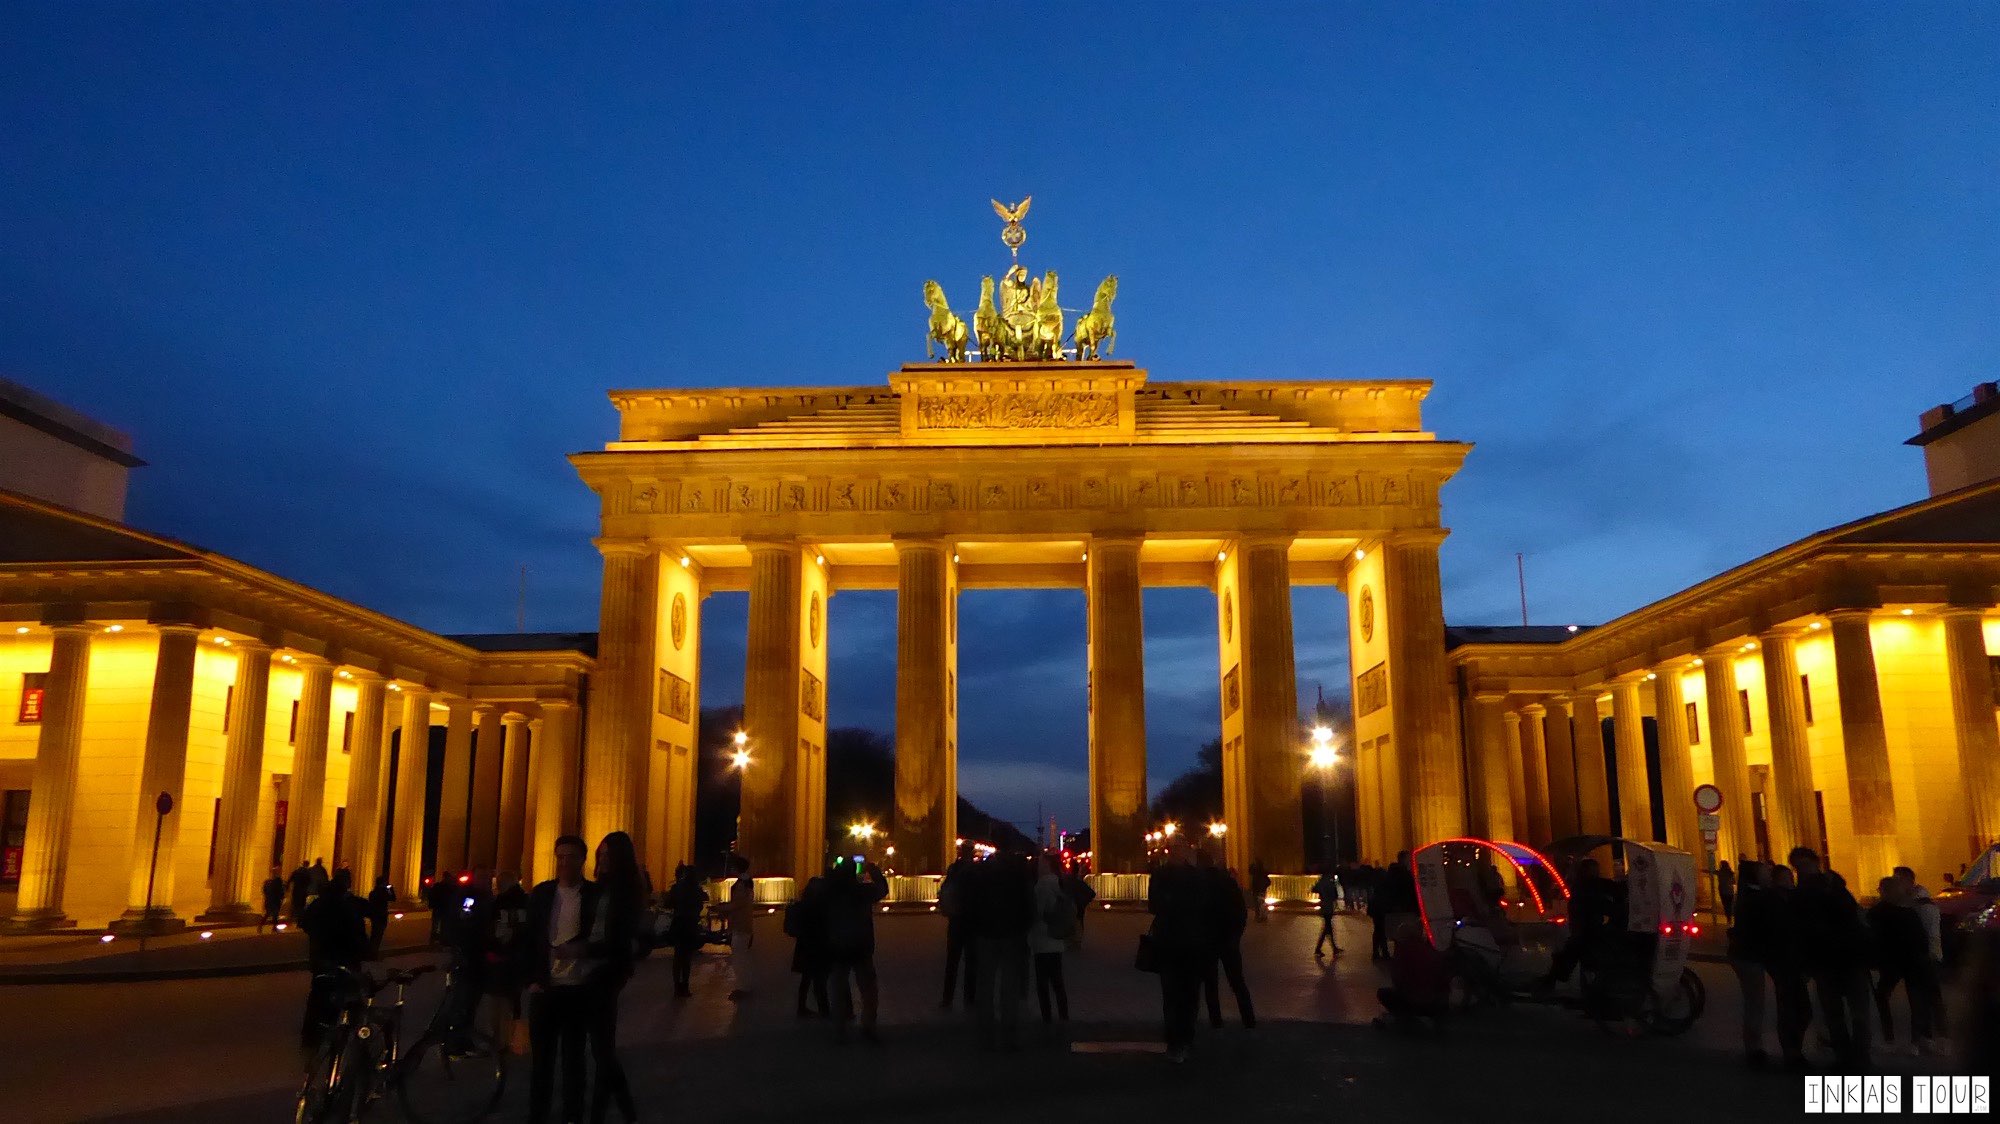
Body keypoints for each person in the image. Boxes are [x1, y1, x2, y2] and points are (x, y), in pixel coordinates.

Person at [523, 835, 597, 1124]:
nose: (565, 862)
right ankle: (537, 1115)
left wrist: (585, 950)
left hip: (578, 989)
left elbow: (604, 937)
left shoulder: (594, 896)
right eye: (561, 857)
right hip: (545, 988)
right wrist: (531, 978)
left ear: (583, 860)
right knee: (541, 1061)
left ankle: (572, 1116)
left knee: (573, 1060)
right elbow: (528, 939)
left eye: (571, 857)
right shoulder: (542, 894)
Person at [582, 832, 643, 1124]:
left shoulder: (626, 891)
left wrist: (586, 950)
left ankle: (603, 1112)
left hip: (607, 971)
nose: (603, 861)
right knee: (601, 1048)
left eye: (608, 856)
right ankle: (623, 1109)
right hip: (594, 969)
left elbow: (620, 937)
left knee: (601, 1048)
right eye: (600, 856)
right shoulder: (599, 889)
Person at [1791, 847, 1872, 1068]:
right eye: (1797, 867)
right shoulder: (1820, 888)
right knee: (1837, 1012)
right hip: (1830, 958)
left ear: (1814, 863)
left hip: (1843, 956)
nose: (1801, 870)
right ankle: (1849, 1056)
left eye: (1802, 865)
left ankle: (1857, 1056)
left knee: (1853, 1011)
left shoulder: (1827, 887)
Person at [1147, 842, 1214, 1063]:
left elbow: (1153, 906)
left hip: (1168, 941)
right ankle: (1187, 1038)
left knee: (1171, 994)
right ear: (1187, 855)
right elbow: (1206, 906)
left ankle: (1174, 1042)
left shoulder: (1159, 875)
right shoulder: (1199, 877)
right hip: (1194, 942)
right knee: (1190, 994)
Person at [969, 849, 1034, 1049]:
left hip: (986, 932)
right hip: (1012, 932)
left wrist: (975, 927)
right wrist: (1025, 926)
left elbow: (973, 900)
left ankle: (985, 1023)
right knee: (1010, 981)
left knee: (986, 980)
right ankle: (1009, 1023)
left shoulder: (982, 870)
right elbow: (1028, 900)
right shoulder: (1019, 870)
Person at [299, 868, 369, 1050]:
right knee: (350, 996)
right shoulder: (348, 907)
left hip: (320, 958)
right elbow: (358, 935)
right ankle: (355, 1037)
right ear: (346, 884)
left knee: (317, 996)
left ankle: (309, 1038)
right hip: (342, 959)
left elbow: (304, 922)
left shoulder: (319, 903)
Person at [1870, 875, 1937, 1056]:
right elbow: (1921, 937)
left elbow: (1874, 938)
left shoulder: (1878, 913)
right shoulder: (1910, 911)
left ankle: (1891, 1038)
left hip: (1892, 961)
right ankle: (1921, 1037)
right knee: (1917, 1000)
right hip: (1913, 960)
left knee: (1883, 997)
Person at [825, 856, 889, 1042]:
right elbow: (882, 889)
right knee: (868, 989)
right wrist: (875, 871)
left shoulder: (831, 891)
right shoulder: (861, 890)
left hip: (837, 945)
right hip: (861, 945)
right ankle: (868, 1025)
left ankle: (839, 1029)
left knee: (837, 989)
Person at [1199, 847, 1255, 1029]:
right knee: (1237, 982)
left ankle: (1216, 1021)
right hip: (1229, 939)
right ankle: (1249, 1019)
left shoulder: (1198, 884)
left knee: (1210, 984)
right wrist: (1236, 934)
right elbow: (1241, 910)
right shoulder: (1227, 881)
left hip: (1207, 940)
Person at [1727, 860, 1776, 1067]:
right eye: (1765, 870)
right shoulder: (1756, 897)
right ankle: (1753, 1049)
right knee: (1755, 1003)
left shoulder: (1747, 895)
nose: (1769, 873)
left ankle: (1753, 1046)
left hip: (1744, 955)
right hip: (1749, 956)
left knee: (1753, 1002)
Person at [1764, 864, 1813, 1069]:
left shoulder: (1793, 900)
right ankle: (1791, 1052)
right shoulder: (1772, 901)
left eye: (1790, 877)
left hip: (1794, 960)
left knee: (1801, 1009)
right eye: (1786, 877)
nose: (1790, 880)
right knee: (1790, 1008)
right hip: (1782, 961)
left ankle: (1794, 1049)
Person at [1372, 917, 1451, 1033]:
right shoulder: (1428, 949)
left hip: (1416, 1001)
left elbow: (1400, 981)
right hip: (1437, 1002)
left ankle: (1406, 1018)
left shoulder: (1403, 952)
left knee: (1384, 993)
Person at [483, 870, 530, 1053]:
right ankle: (512, 1038)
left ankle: (499, 1038)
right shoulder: (526, 902)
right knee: (513, 999)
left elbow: (490, 930)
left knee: (497, 999)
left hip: (500, 957)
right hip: (516, 958)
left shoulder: (498, 903)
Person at [1027, 852, 1074, 1026]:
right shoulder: (1061, 882)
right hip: (1057, 939)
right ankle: (1064, 1015)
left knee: (1042, 983)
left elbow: (1037, 912)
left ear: (1046, 865)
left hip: (1042, 938)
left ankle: (1047, 1016)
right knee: (1058, 981)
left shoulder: (1041, 885)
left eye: (1040, 863)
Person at [938, 841, 979, 1008]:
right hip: (972, 920)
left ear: (961, 851)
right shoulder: (977, 871)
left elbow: (946, 888)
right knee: (971, 962)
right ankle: (969, 999)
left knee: (952, 962)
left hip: (955, 919)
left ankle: (947, 999)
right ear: (973, 852)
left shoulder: (954, 869)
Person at [786, 870, 831, 1017]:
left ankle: (801, 1007)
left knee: (806, 979)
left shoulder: (801, 905)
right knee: (820, 980)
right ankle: (824, 1009)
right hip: (819, 946)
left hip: (804, 946)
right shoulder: (821, 906)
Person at [663, 863, 707, 998]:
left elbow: (668, 903)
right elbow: (703, 901)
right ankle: (685, 987)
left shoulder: (677, 888)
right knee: (687, 957)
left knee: (678, 957)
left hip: (679, 923)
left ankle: (677, 987)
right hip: (691, 924)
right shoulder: (697, 889)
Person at [726, 856, 757, 1001]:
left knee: (739, 958)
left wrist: (721, 908)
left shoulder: (741, 884)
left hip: (740, 925)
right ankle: (745, 986)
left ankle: (743, 987)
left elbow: (737, 905)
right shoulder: (747, 882)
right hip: (744, 924)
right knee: (742, 957)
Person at [1312, 867, 1342, 958]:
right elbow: (1335, 894)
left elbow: (1314, 889)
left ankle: (1332, 948)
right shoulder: (1329, 882)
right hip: (1328, 906)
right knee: (1327, 929)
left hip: (1324, 906)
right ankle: (1319, 949)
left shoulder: (1321, 881)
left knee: (1328, 928)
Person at [365, 875, 393, 960]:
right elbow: (392, 898)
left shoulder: (372, 893)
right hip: (381, 916)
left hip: (374, 916)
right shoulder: (383, 892)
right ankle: (373, 954)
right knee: (378, 935)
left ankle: (371, 953)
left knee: (374, 935)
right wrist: (390, 889)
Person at [260, 867, 286, 933]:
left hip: (269, 899)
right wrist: (282, 897)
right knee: (275, 914)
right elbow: (280, 891)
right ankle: (274, 928)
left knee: (268, 913)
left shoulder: (267, 882)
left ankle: (261, 926)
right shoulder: (278, 881)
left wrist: (267, 896)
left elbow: (264, 890)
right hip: (275, 900)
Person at [1248, 860, 1272, 925]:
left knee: (1258, 903)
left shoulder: (1256, 872)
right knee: (1260, 903)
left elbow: (1250, 871)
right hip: (1260, 890)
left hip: (1257, 889)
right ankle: (1262, 916)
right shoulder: (1262, 872)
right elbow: (1268, 881)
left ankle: (1259, 916)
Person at [1717, 859, 1738, 924]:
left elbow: (1713, 872)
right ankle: (1730, 918)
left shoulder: (1720, 872)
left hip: (1723, 891)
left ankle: (1728, 918)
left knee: (1726, 905)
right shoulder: (1730, 872)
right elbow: (1734, 882)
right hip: (1730, 891)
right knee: (1729, 905)